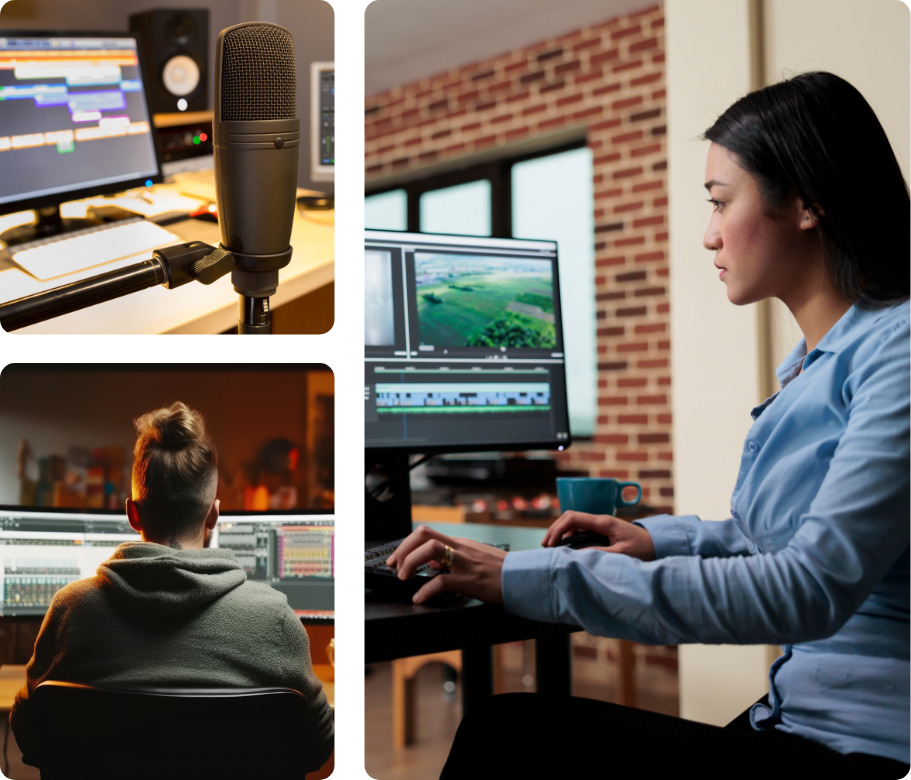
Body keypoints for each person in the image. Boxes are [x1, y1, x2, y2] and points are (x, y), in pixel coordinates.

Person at [387, 71, 911, 775]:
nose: (707, 235)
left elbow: (807, 586)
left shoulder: (898, 353)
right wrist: (654, 538)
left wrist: (523, 574)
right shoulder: (822, 359)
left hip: (867, 745)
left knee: (506, 735)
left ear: (807, 202)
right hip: (797, 713)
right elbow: (794, 539)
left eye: (720, 203)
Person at [9, 401, 335, 772]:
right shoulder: (274, 615)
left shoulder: (71, 609)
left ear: (132, 513)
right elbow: (318, 745)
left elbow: (30, 733)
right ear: (213, 514)